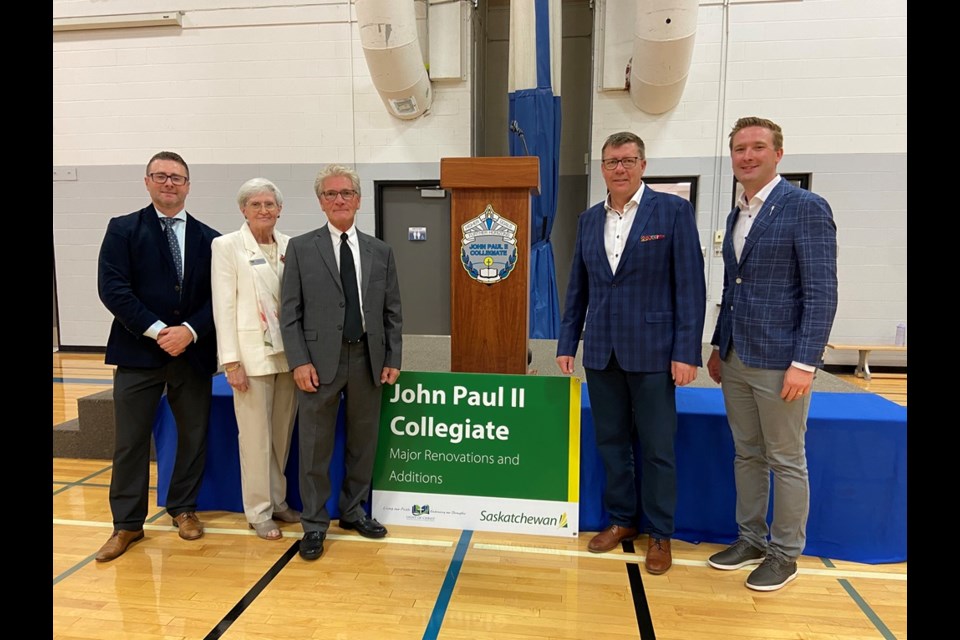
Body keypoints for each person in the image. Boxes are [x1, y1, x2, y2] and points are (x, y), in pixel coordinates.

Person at [556, 132, 706, 575]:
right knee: (611, 443)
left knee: (658, 447)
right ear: (601, 168)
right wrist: (568, 343)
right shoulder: (587, 220)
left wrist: (686, 351)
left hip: (655, 353)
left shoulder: (674, 212)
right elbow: (577, 289)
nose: (619, 168)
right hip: (602, 352)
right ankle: (623, 520)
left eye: (627, 160)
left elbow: (690, 289)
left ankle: (660, 533)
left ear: (643, 164)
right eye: (611, 161)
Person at [706, 117, 838, 592]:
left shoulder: (804, 207)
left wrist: (805, 363)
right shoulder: (737, 212)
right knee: (747, 453)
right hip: (738, 355)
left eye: (757, 147)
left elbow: (821, 292)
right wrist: (721, 346)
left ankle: (785, 554)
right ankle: (751, 540)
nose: (747, 156)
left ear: (778, 154)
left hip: (783, 361)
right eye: (739, 148)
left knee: (786, 458)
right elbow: (733, 286)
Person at [95, 151, 220, 562]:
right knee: (130, 442)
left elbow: (219, 299)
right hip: (137, 351)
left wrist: (188, 332)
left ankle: (183, 509)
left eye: (177, 177)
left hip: (193, 353)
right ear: (147, 181)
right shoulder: (123, 230)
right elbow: (113, 289)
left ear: (188, 185)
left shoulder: (210, 238)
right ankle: (127, 525)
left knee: (193, 436)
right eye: (161, 176)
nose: (169, 183)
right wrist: (157, 331)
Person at [280, 164, 403, 561]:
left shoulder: (380, 251)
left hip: (368, 358)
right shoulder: (300, 248)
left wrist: (392, 357)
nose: (339, 200)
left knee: (363, 444)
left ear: (359, 200)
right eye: (331, 194)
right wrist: (299, 361)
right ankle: (314, 525)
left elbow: (392, 311)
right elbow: (289, 312)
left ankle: (353, 512)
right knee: (314, 448)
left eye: (346, 193)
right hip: (318, 363)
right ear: (320, 202)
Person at [211, 178, 300, 541]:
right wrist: (231, 362)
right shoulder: (227, 246)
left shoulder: (292, 245)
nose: (264, 210)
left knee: (281, 436)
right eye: (256, 204)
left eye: (270, 204)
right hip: (250, 357)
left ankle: (278, 502)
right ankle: (259, 511)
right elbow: (224, 305)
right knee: (255, 439)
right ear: (243, 210)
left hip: (289, 357)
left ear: (280, 209)